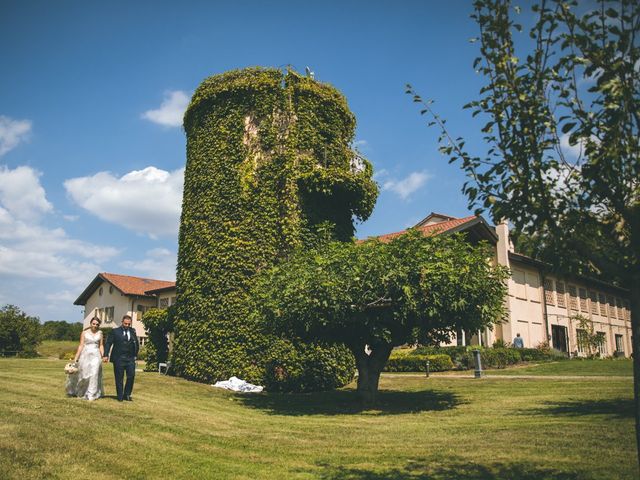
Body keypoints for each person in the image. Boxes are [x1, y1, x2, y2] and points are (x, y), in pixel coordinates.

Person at [66, 317, 104, 400]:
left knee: (94, 373)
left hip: (96, 355)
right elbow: (81, 345)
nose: (95, 325)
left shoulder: (100, 333)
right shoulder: (84, 333)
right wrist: (76, 357)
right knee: (85, 375)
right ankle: (82, 391)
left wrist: (103, 355)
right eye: (93, 323)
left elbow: (101, 345)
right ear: (90, 324)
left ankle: (91, 394)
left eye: (97, 324)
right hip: (85, 355)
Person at [103, 314, 139, 402]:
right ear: (122, 322)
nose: (127, 326)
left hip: (130, 358)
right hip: (118, 358)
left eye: (128, 324)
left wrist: (135, 355)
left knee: (131, 376)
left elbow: (136, 344)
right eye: (125, 324)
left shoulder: (132, 331)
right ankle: (120, 396)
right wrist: (105, 355)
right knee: (119, 378)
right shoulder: (115, 331)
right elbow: (108, 343)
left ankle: (127, 394)